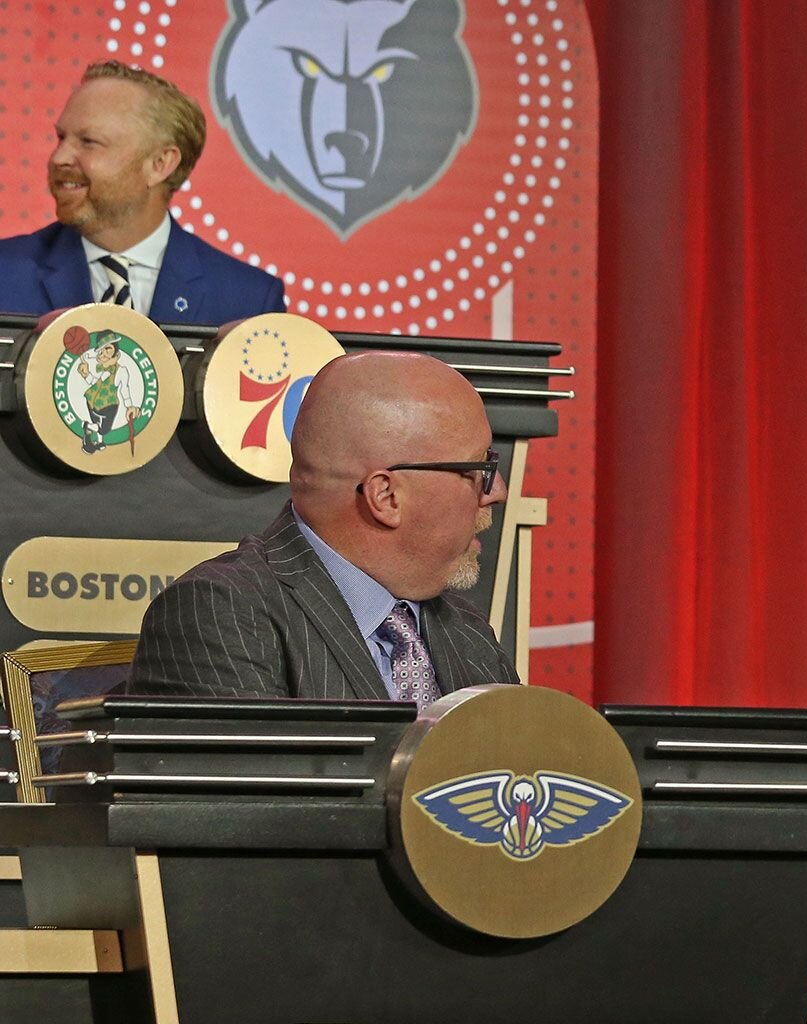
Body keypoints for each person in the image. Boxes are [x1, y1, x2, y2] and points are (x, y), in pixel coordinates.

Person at [127, 351, 517, 701]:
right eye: (478, 469)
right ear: (386, 497)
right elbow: (263, 781)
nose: (495, 491)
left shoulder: (466, 630)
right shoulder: (219, 613)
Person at [0, 61, 285, 323]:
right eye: (61, 137)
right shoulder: (6, 273)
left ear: (160, 164)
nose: (58, 157)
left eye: (89, 141)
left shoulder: (248, 301)